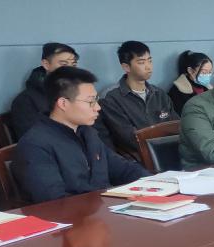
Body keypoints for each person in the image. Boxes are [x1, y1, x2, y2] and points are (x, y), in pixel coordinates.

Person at [14, 67, 149, 204]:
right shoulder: (35, 145)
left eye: (96, 100)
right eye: (91, 102)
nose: (98, 107)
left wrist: (153, 183)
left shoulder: (88, 133)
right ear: (63, 103)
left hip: (103, 209)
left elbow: (123, 169)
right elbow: (54, 202)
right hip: (76, 213)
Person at [100, 41, 179, 157]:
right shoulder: (111, 97)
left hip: (168, 154)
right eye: (141, 62)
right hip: (135, 160)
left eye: (150, 61)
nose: (148, 67)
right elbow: (129, 138)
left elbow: (176, 126)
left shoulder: (159, 94)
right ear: (126, 67)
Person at [11, 42, 81, 139]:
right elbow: (34, 140)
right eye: (64, 64)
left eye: (73, 65)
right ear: (46, 64)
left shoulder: (78, 93)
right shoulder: (25, 101)